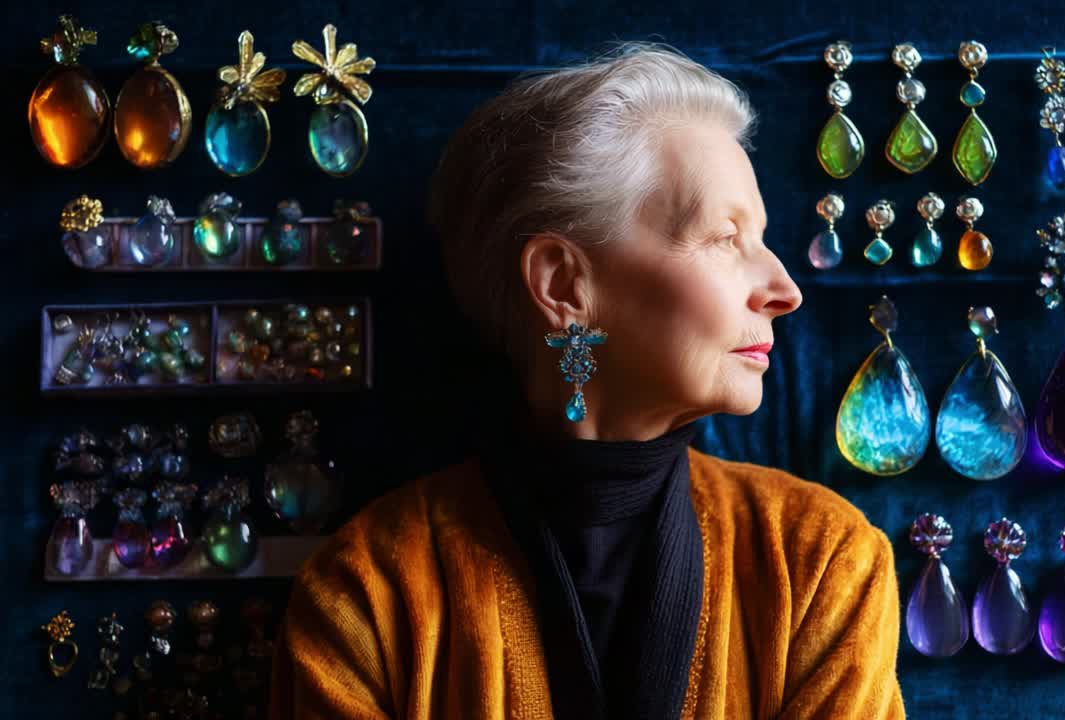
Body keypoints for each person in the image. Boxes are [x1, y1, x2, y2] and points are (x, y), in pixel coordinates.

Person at [270, 41, 905, 719]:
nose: (784, 289)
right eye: (726, 238)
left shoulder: (819, 564)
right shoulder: (369, 596)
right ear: (563, 283)